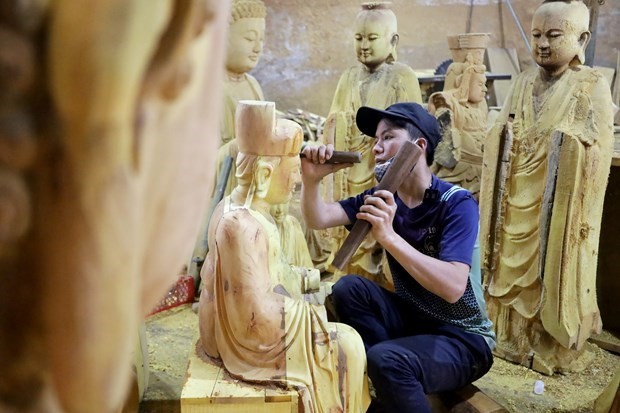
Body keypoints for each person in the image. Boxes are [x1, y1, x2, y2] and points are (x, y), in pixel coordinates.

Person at [300, 102, 495, 413]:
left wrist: (388, 237)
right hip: (415, 320)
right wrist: (312, 180)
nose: (377, 148)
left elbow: (453, 287)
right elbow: (319, 217)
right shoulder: (381, 197)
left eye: (388, 137)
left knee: (385, 360)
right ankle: (390, 378)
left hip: (463, 339)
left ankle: (391, 370)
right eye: (376, 140)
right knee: (350, 289)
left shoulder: (455, 203)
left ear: (418, 148)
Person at [199, 100, 370, 413]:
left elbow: (271, 277)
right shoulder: (240, 224)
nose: (296, 180)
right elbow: (255, 319)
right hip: (247, 344)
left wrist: (310, 280)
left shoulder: (249, 214)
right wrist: (313, 318)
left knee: (340, 325)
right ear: (264, 174)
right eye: (292, 172)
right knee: (348, 346)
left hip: (260, 325)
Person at [479, 0, 614, 374]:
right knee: (504, 271)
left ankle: (547, 343)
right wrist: (503, 135)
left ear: (581, 38)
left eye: (554, 35)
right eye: (536, 34)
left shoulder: (591, 85)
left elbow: (596, 152)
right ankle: (508, 335)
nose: (541, 43)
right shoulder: (521, 81)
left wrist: (569, 150)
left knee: (551, 272)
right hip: (514, 196)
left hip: (558, 209)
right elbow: (501, 128)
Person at [319, 2, 422, 282]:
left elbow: (413, 134)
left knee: (382, 236)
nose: (364, 45)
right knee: (347, 237)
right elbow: (332, 120)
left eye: (372, 38)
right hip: (349, 173)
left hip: (385, 174)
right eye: (359, 38)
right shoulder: (348, 77)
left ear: (393, 41)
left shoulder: (402, 76)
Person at [428, 55, 488, 200]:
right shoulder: (447, 105)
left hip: (482, 170)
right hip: (458, 172)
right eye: (480, 84)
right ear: (465, 83)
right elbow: (443, 151)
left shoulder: (480, 108)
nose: (485, 89)